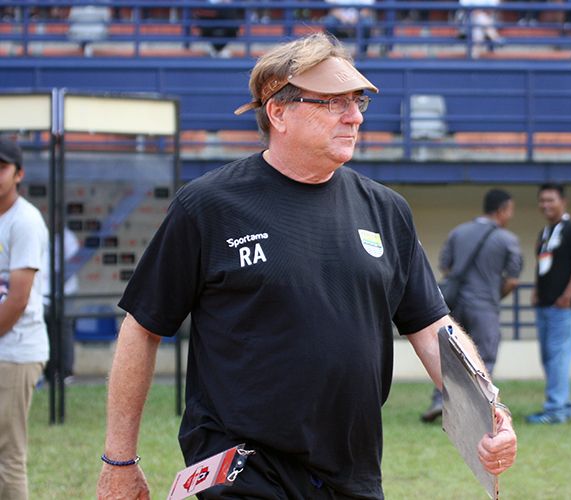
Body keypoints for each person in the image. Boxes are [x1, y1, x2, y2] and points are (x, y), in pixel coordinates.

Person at [96, 33, 517, 499]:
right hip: (241, 462)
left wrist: (489, 409)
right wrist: (119, 459)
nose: (354, 116)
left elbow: (433, 327)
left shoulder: (385, 209)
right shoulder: (207, 206)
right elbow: (143, 326)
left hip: (351, 464)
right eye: (333, 103)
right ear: (278, 111)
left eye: (357, 102)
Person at [421, 188, 522, 422]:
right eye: (510, 211)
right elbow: (513, 279)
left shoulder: (459, 233)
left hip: (454, 307)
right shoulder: (507, 239)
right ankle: (478, 410)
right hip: (485, 305)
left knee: (452, 356)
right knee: (484, 357)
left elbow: (445, 266)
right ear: (503, 209)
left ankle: (440, 401)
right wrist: (495, 294)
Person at [0, 137, 50, 500]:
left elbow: (17, 300)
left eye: (1, 168)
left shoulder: (25, 221)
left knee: (8, 455)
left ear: (18, 174)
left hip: (16, 352)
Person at [526, 183, 571, 425]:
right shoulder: (545, 233)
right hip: (545, 305)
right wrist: (536, 289)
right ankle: (562, 403)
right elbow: (542, 266)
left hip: (562, 307)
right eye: (542, 200)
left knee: (558, 357)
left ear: (564, 202)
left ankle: (556, 409)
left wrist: (568, 295)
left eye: (551, 200)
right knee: (549, 357)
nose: (545, 205)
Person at [41, 226, 80, 384]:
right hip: (48, 292)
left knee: (64, 328)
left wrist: (59, 280)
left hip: (65, 291)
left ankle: (66, 371)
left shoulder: (68, 238)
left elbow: (74, 264)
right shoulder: (48, 237)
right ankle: (51, 371)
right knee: (51, 329)